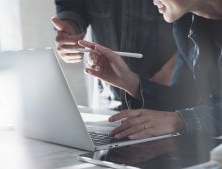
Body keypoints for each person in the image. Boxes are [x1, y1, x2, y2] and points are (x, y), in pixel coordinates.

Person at [80, 0, 222, 139]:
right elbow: (184, 100)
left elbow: (183, 116)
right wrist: (130, 82)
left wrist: (177, 121)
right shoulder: (184, 25)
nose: (152, 2)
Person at [52, 0, 177, 111]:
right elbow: (72, 6)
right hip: (109, 100)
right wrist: (71, 29)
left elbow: (191, 15)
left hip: (167, 98)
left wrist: (176, 66)